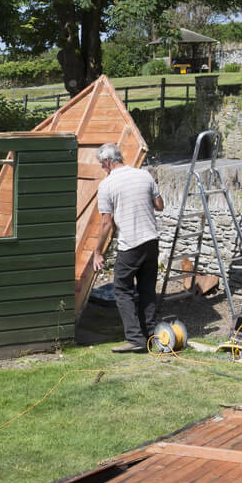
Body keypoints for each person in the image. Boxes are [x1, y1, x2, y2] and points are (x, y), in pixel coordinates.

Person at [92, 143, 165, 353]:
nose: (102, 168)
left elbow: (107, 222)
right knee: (147, 290)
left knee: (121, 290)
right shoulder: (144, 175)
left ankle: (135, 339)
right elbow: (160, 206)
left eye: (101, 164)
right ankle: (151, 336)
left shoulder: (107, 185)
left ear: (107, 161)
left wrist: (98, 252)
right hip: (152, 242)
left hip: (131, 245)